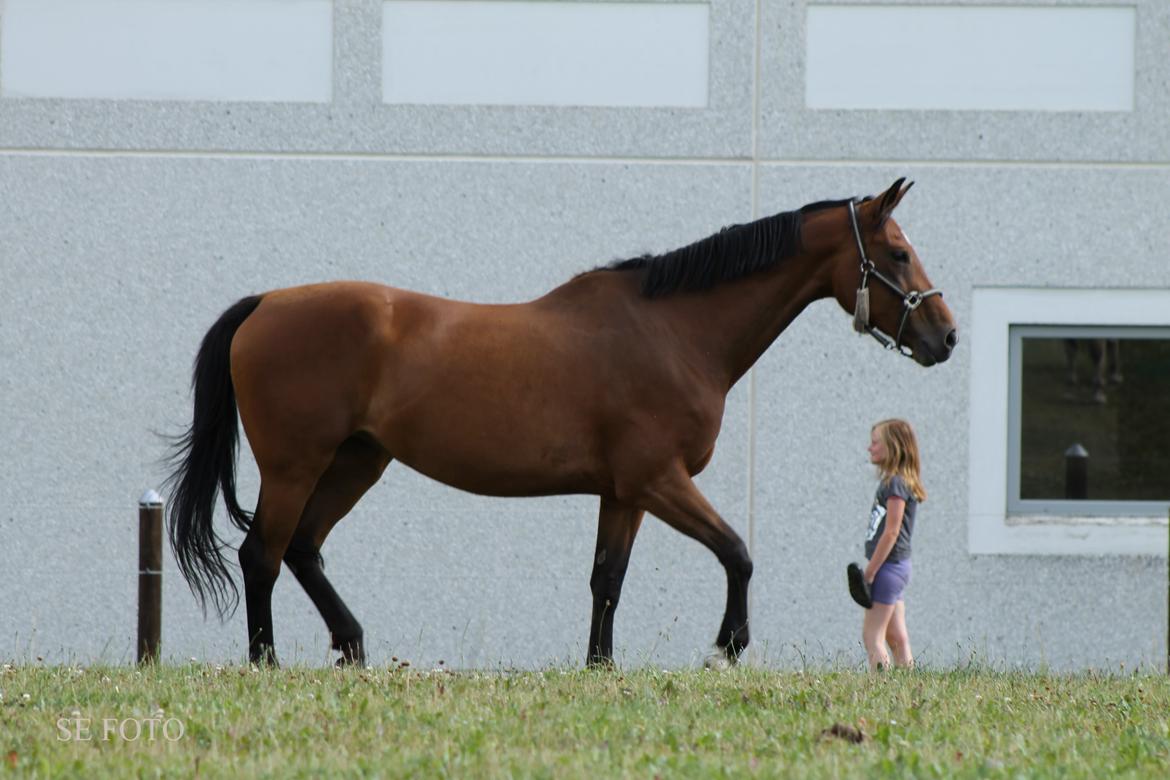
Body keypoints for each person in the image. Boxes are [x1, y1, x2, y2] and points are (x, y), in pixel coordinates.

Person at [856, 418, 926, 671]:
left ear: (893, 447)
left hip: (887, 568)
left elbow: (892, 531)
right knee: (897, 638)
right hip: (897, 568)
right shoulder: (898, 482)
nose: (870, 448)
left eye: (876, 443)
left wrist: (871, 571)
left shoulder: (896, 484)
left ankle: (880, 688)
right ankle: (908, 686)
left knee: (872, 636)